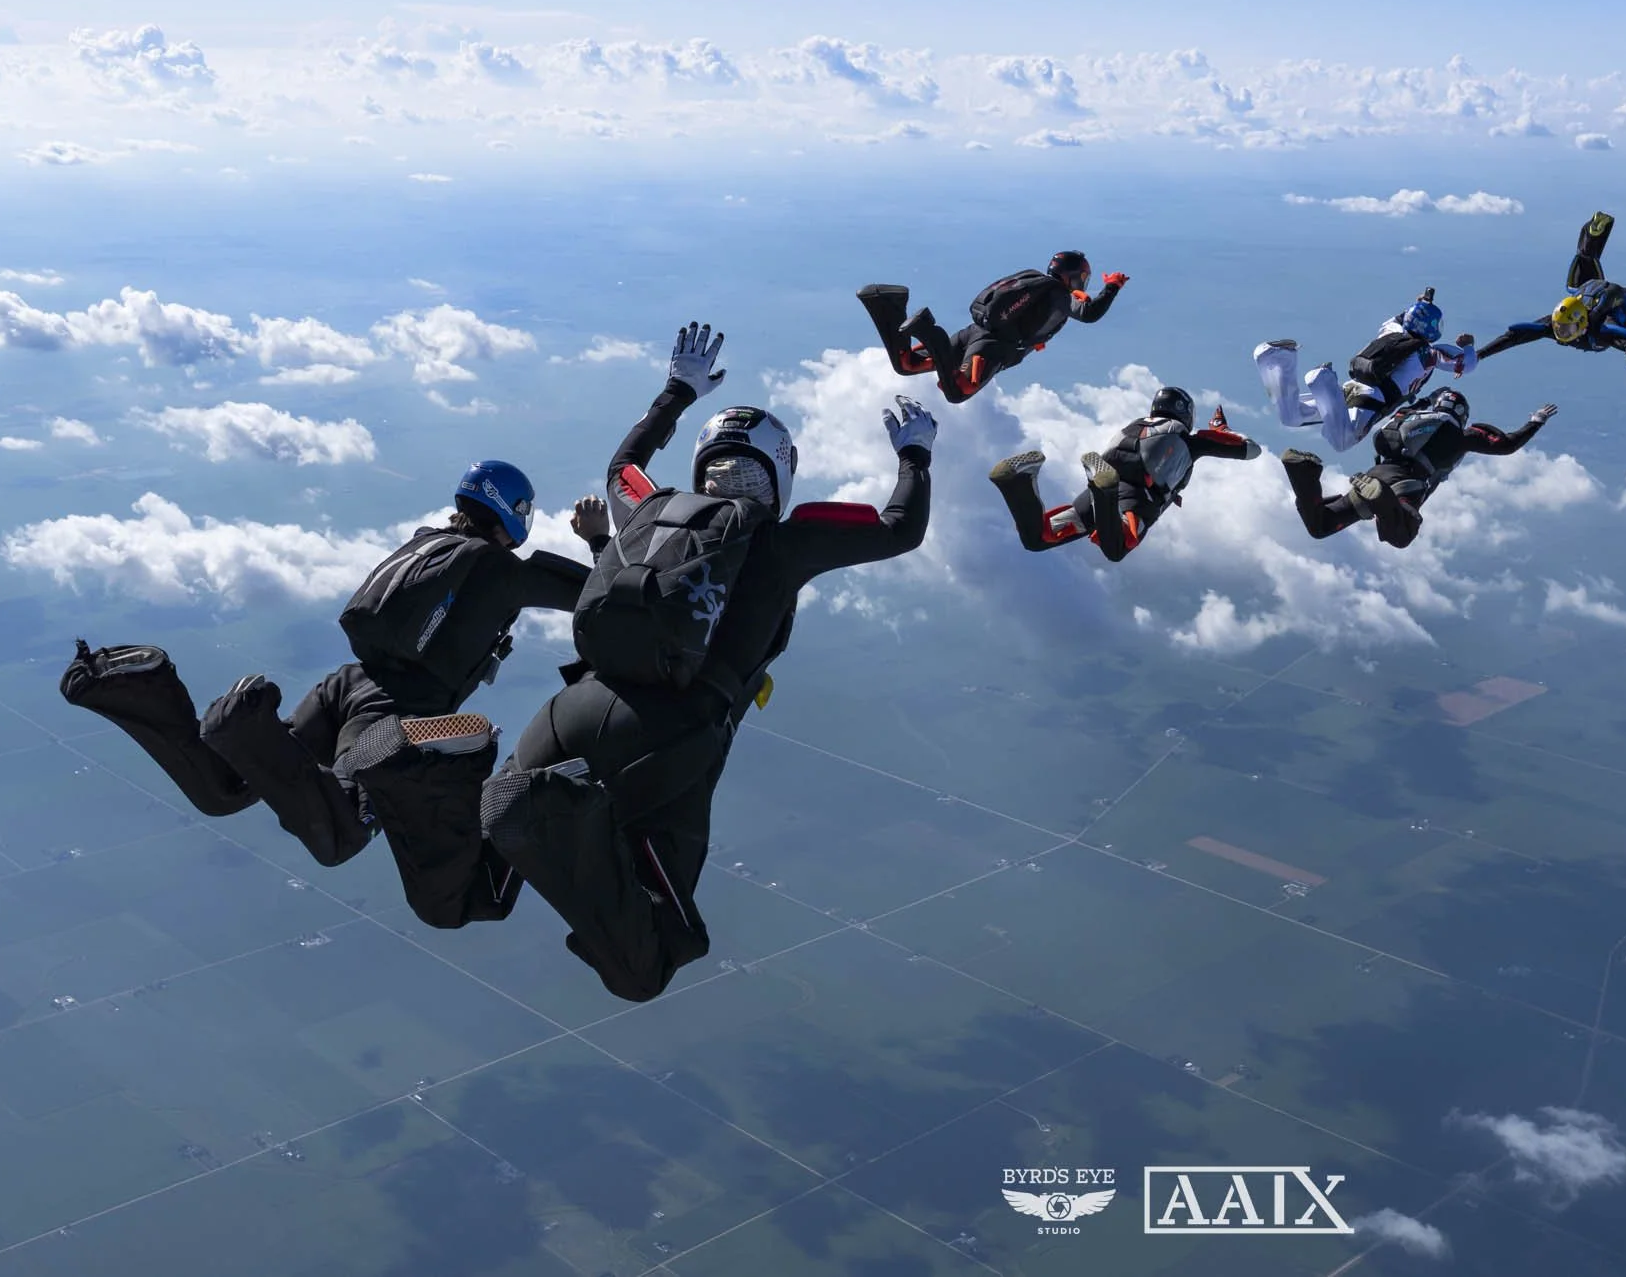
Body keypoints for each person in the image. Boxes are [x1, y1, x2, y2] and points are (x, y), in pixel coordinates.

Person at [480, 322, 933, 1002]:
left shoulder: (645, 505)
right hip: (669, 741)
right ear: (778, 474)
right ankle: (565, 808)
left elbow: (620, 464)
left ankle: (478, 793)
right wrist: (915, 457)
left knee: (478, 886)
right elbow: (902, 528)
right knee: (649, 961)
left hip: (564, 712)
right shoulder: (785, 540)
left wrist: (678, 389)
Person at [60, 463, 609, 929]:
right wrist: (597, 538)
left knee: (224, 790)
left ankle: (147, 685)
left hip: (346, 684)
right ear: (512, 513)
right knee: (339, 837)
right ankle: (244, 727)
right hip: (395, 716)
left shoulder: (425, 543)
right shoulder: (506, 574)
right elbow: (602, 595)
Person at [989, 386, 1262, 562]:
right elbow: (1252, 450)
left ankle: (1020, 481)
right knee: (1118, 547)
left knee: (1040, 537)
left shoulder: (1139, 425)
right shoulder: (1192, 441)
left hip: (1100, 490)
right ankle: (1102, 488)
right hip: (1133, 499)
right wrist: (1220, 431)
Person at [1281, 389, 1557, 550]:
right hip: (1404, 486)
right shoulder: (1462, 435)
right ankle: (1380, 498)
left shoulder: (1410, 418)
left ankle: (1302, 472)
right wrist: (1536, 421)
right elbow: (1506, 445)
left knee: (1321, 524)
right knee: (1402, 534)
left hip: (1376, 473)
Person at [857, 251, 1127, 404]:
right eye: (1082, 278)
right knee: (957, 391)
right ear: (1073, 277)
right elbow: (1090, 313)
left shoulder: (1035, 280)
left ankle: (886, 305)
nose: (1083, 283)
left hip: (973, 332)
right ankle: (927, 329)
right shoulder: (1060, 295)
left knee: (907, 364)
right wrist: (1113, 286)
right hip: (994, 348)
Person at [1478, 211, 1626, 389]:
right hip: (1589, 291)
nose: (1561, 335)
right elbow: (1515, 335)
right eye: (1560, 329)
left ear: (1582, 323)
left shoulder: (1605, 329)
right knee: (1579, 279)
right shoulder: (1555, 324)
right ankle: (1594, 233)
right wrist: (1480, 354)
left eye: (1567, 331)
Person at [1254, 288, 1478, 452]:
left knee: (1292, 416)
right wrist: (1467, 345)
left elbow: (1404, 317)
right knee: (1343, 441)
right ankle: (1322, 381)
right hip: (1370, 402)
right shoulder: (1429, 354)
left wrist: (1418, 305)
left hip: (1350, 388)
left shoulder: (1391, 329)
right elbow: (1467, 365)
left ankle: (1276, 359)